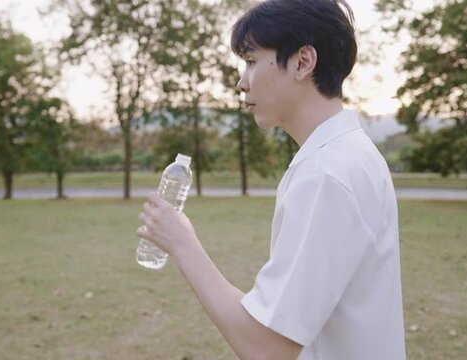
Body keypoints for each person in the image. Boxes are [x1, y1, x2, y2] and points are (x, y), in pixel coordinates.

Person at [137, 0, 407, 358]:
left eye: (251, 62)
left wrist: (182, 244)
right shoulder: (349, 154)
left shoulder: (328, 174)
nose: (241, 82)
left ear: (303, 62)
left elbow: (267, 347)